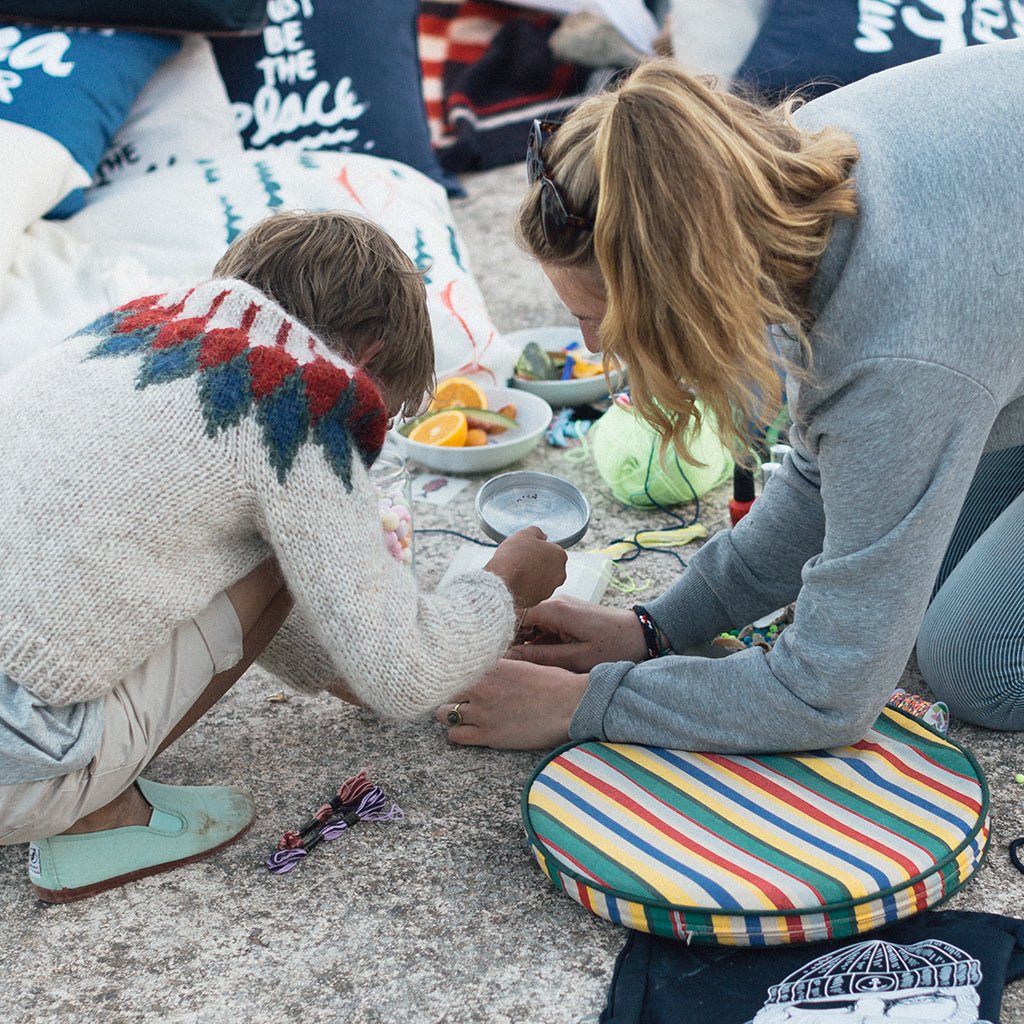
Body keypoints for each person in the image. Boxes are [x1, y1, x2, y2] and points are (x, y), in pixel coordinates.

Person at [435, 40, 1024, 753]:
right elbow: (830, 472)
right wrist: (654, 629)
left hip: (944, 331)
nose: (593, 349)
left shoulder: (898, 351)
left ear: (685, 299)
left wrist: (588, 704)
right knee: (908, 584)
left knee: (980, 663)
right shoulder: (766, 182)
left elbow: (826, 697)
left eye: (600, 320)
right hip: (968, 308)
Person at [0, 209, 567, 902]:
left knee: (255, 536)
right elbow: (406, 679)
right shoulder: (299, 394)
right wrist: (504, 587)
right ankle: (95, 816)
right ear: (366, 357)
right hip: (18, 769)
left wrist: (348, 667)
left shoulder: (139, 327)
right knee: (282, 544)